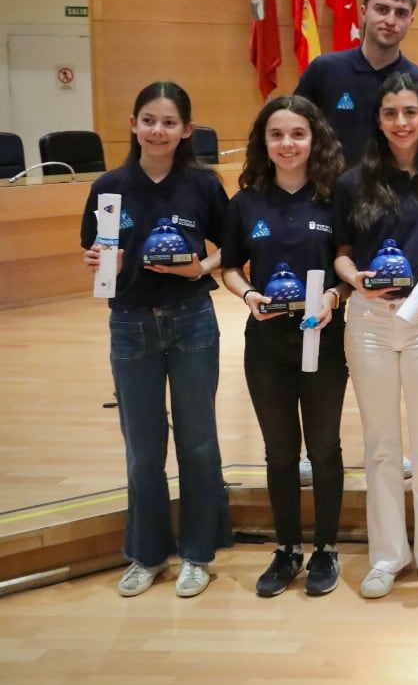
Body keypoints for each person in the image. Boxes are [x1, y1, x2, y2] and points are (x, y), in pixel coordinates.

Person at [79, 81, 231, 598]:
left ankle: (198, 553)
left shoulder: (204, 185)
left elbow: (231, 248)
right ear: (133, 124)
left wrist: (198, 270)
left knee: (198, 441)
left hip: (192, 321)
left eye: (169, 122)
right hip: (130, 324)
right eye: (148, 120)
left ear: (187, 129)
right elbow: (94, 254)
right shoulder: (108, 187)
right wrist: (101, 263)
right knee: (143, 448)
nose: (158, 130)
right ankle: (146, 554)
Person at [332, 71, 418, 599]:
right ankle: (388, 555)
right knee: (381, 445)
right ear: (378, 119)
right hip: (369, 321)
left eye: (410, 112)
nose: (400, 123)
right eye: (390, 113)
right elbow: (342, 254)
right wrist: (354, 281)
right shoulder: (352, 182)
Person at [219, 96, 350, 597]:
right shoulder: (246, 202)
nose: (287, 144)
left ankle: (327, 549)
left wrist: (336, 297)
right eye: (277, 135)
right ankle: (288, 548)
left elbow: (347, 264)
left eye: (298, 134)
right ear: (264, 142)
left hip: (323, 338)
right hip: (267, 342)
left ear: (314, 139)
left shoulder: (335, 198)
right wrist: (249, 295)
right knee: (278, 452)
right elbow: (230, 266)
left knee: (324, 448)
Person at [296, 0, 418, 163]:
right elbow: (294, 130)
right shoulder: (323, 70)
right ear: (363, 13)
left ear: (410, 21)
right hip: (329, 189)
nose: (390, 20)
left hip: (395, 190)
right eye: (382, 10)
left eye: (401, 13)